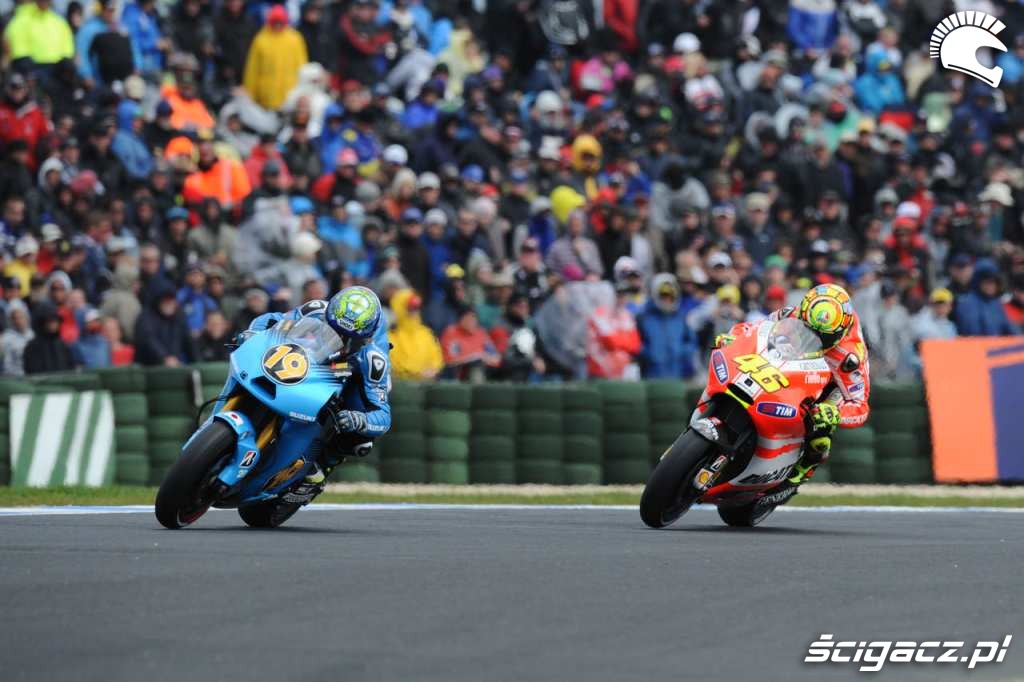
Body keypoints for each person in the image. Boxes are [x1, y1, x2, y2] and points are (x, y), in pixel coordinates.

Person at [713, 283, 871, 487]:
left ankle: (802, 470)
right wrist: (735, 338)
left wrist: (836, 413)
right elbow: (757, 328)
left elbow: (860, 406)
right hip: (797, 359)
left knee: (821, 424)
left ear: (840, 331)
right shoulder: (796, 314)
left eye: (824, 336)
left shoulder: (850, 357)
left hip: (831, 383)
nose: (816, 337)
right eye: (809, 329)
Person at [244, 286, 392, 501]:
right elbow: (271, 319)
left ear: (365, 338)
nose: (339, 338)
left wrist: (359, 419)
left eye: (347, 337)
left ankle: (318, 471)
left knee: (359, 441)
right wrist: (254, 334)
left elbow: (383, 416)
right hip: (310, 358)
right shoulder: (316, 309)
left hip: (352, 374)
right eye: (333, 329)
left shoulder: (374, 359)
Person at [388, 288, 443, 381]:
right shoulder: (391, 336)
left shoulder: (426, 333)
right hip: (402, 386)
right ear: (400, 309)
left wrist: (433, 369)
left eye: (416, 308)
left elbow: (436, 357)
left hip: (427, 385)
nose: (415, 312)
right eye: (410, 308)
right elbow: (394, 364)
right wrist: (418, 373)